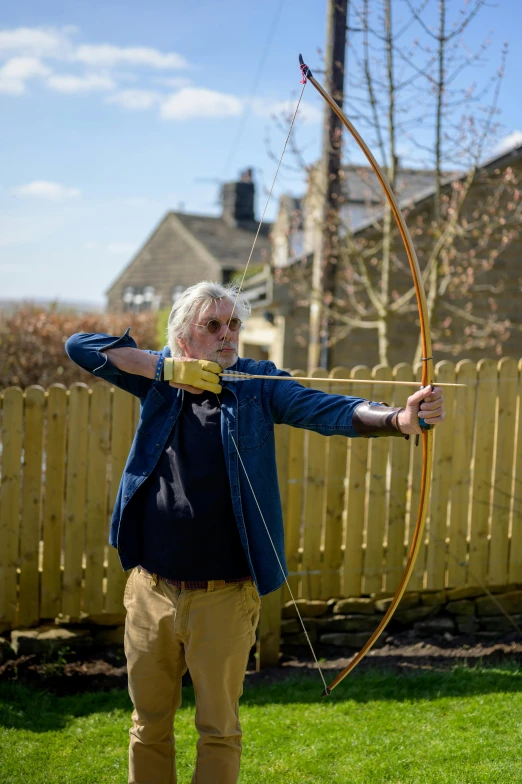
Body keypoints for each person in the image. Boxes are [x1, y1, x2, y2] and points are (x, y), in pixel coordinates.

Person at [65, 280, 445, 784]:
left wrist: (397, 418)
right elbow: (80, 347)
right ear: (183, 338)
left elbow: (323, 408)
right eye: (213, 325)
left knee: (218, 728)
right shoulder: (159, 381)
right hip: (151, 589)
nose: (228, 335)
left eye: (234, 324)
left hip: (224, 594)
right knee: (148, 724)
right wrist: (166, 369)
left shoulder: (257, 383)